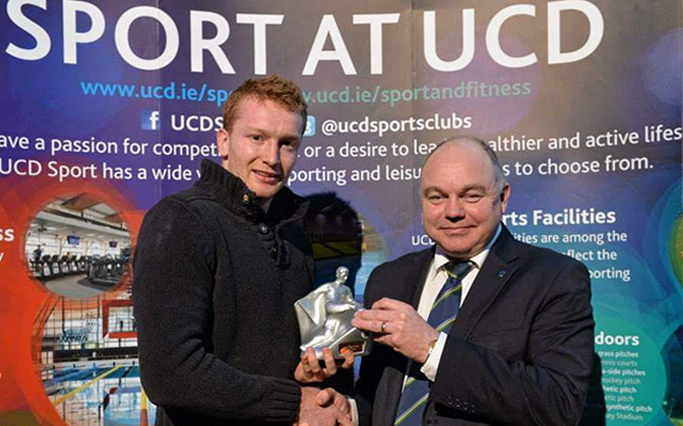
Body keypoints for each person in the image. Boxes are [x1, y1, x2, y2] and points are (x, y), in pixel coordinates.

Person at [133, 75, 352, 426]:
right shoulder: (180, 220)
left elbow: (271, 361)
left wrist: (307, 373)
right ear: (224, 141)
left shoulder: (296, 235)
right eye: (257, 138)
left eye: (287, 143)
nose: (272, 158)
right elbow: (170, 373)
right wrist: (294, 403)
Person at [350, 137, 595, 426]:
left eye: (471, 196)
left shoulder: (554, 279)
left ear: (502, 197)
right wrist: (349, 411)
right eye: (437, 197)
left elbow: (559, 404)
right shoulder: (389, 278)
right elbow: (378, 394)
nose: (453, 212)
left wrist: (432, 349)